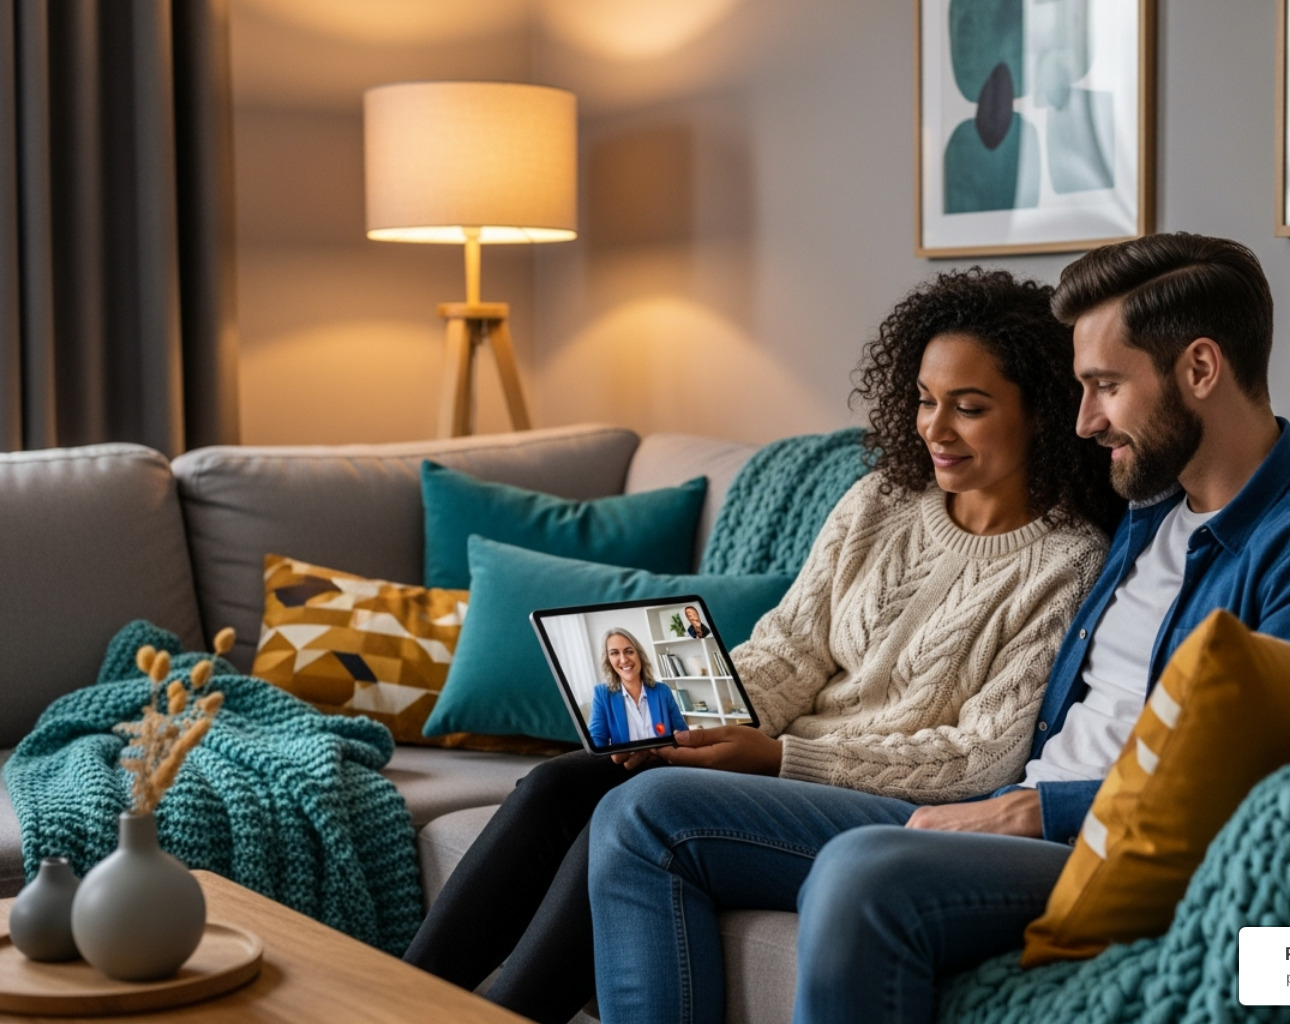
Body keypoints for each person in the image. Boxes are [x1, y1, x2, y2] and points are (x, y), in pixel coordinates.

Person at [587, 233, 1290, 1024]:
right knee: (645, 812)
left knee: (862, 869)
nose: (1085, 420)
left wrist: (1038, 811)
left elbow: (1273, 794)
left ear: (1201, 367)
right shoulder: (1152, 509)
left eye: (1105, 385)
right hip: (1007, 808)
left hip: (1102, 848)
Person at [402, 267, 1122, 1023]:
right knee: (565, 783)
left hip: (883, 795)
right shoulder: (882, 499)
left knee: (639, 805)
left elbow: (983, 757)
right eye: (924, 400)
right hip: (785, 761)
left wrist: (780, 757)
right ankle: (395, 998)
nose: (934, 429)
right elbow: (790, 647)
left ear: (1041, 412)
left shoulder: (1067, 562)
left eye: (969, 409)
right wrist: (702, 714)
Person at [587, 628, 689, 747]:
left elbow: (684, 735)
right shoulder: (602, 695)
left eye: (629, 651)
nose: (624, 660)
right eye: (614, 653)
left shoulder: (663, 691)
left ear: (639, 655)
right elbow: (596, 743)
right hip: (625, 764)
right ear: (608, 660)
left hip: (664, 761)